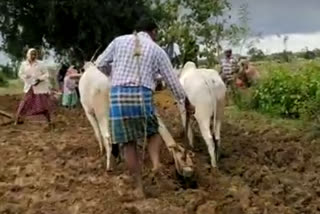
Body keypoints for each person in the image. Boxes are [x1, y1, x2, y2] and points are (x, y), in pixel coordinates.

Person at [95, 16, 195, 198]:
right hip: (142, 95)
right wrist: (186, 101)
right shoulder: (157, 50)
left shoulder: (118, 41)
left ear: (136, 30)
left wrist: (115, 74)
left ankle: (139, 187)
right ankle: (156, 164)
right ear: (153, 31)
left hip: (118, 97)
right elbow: (172, 81)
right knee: (153, 131)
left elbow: (100, 64)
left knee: (128, 143)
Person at [15, 48, 55, 125]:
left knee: (43, 104)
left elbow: (46, 74)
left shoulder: (41, 63)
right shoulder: (24, 64)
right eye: (32, 54)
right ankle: (18, 119)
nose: (33, 56)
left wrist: (39, 79)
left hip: (40, 87)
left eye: (35, 54)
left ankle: (49, 120)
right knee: (24, 102)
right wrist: (26, 78)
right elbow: (20, 74)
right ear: (28, 55)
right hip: (29, 86)